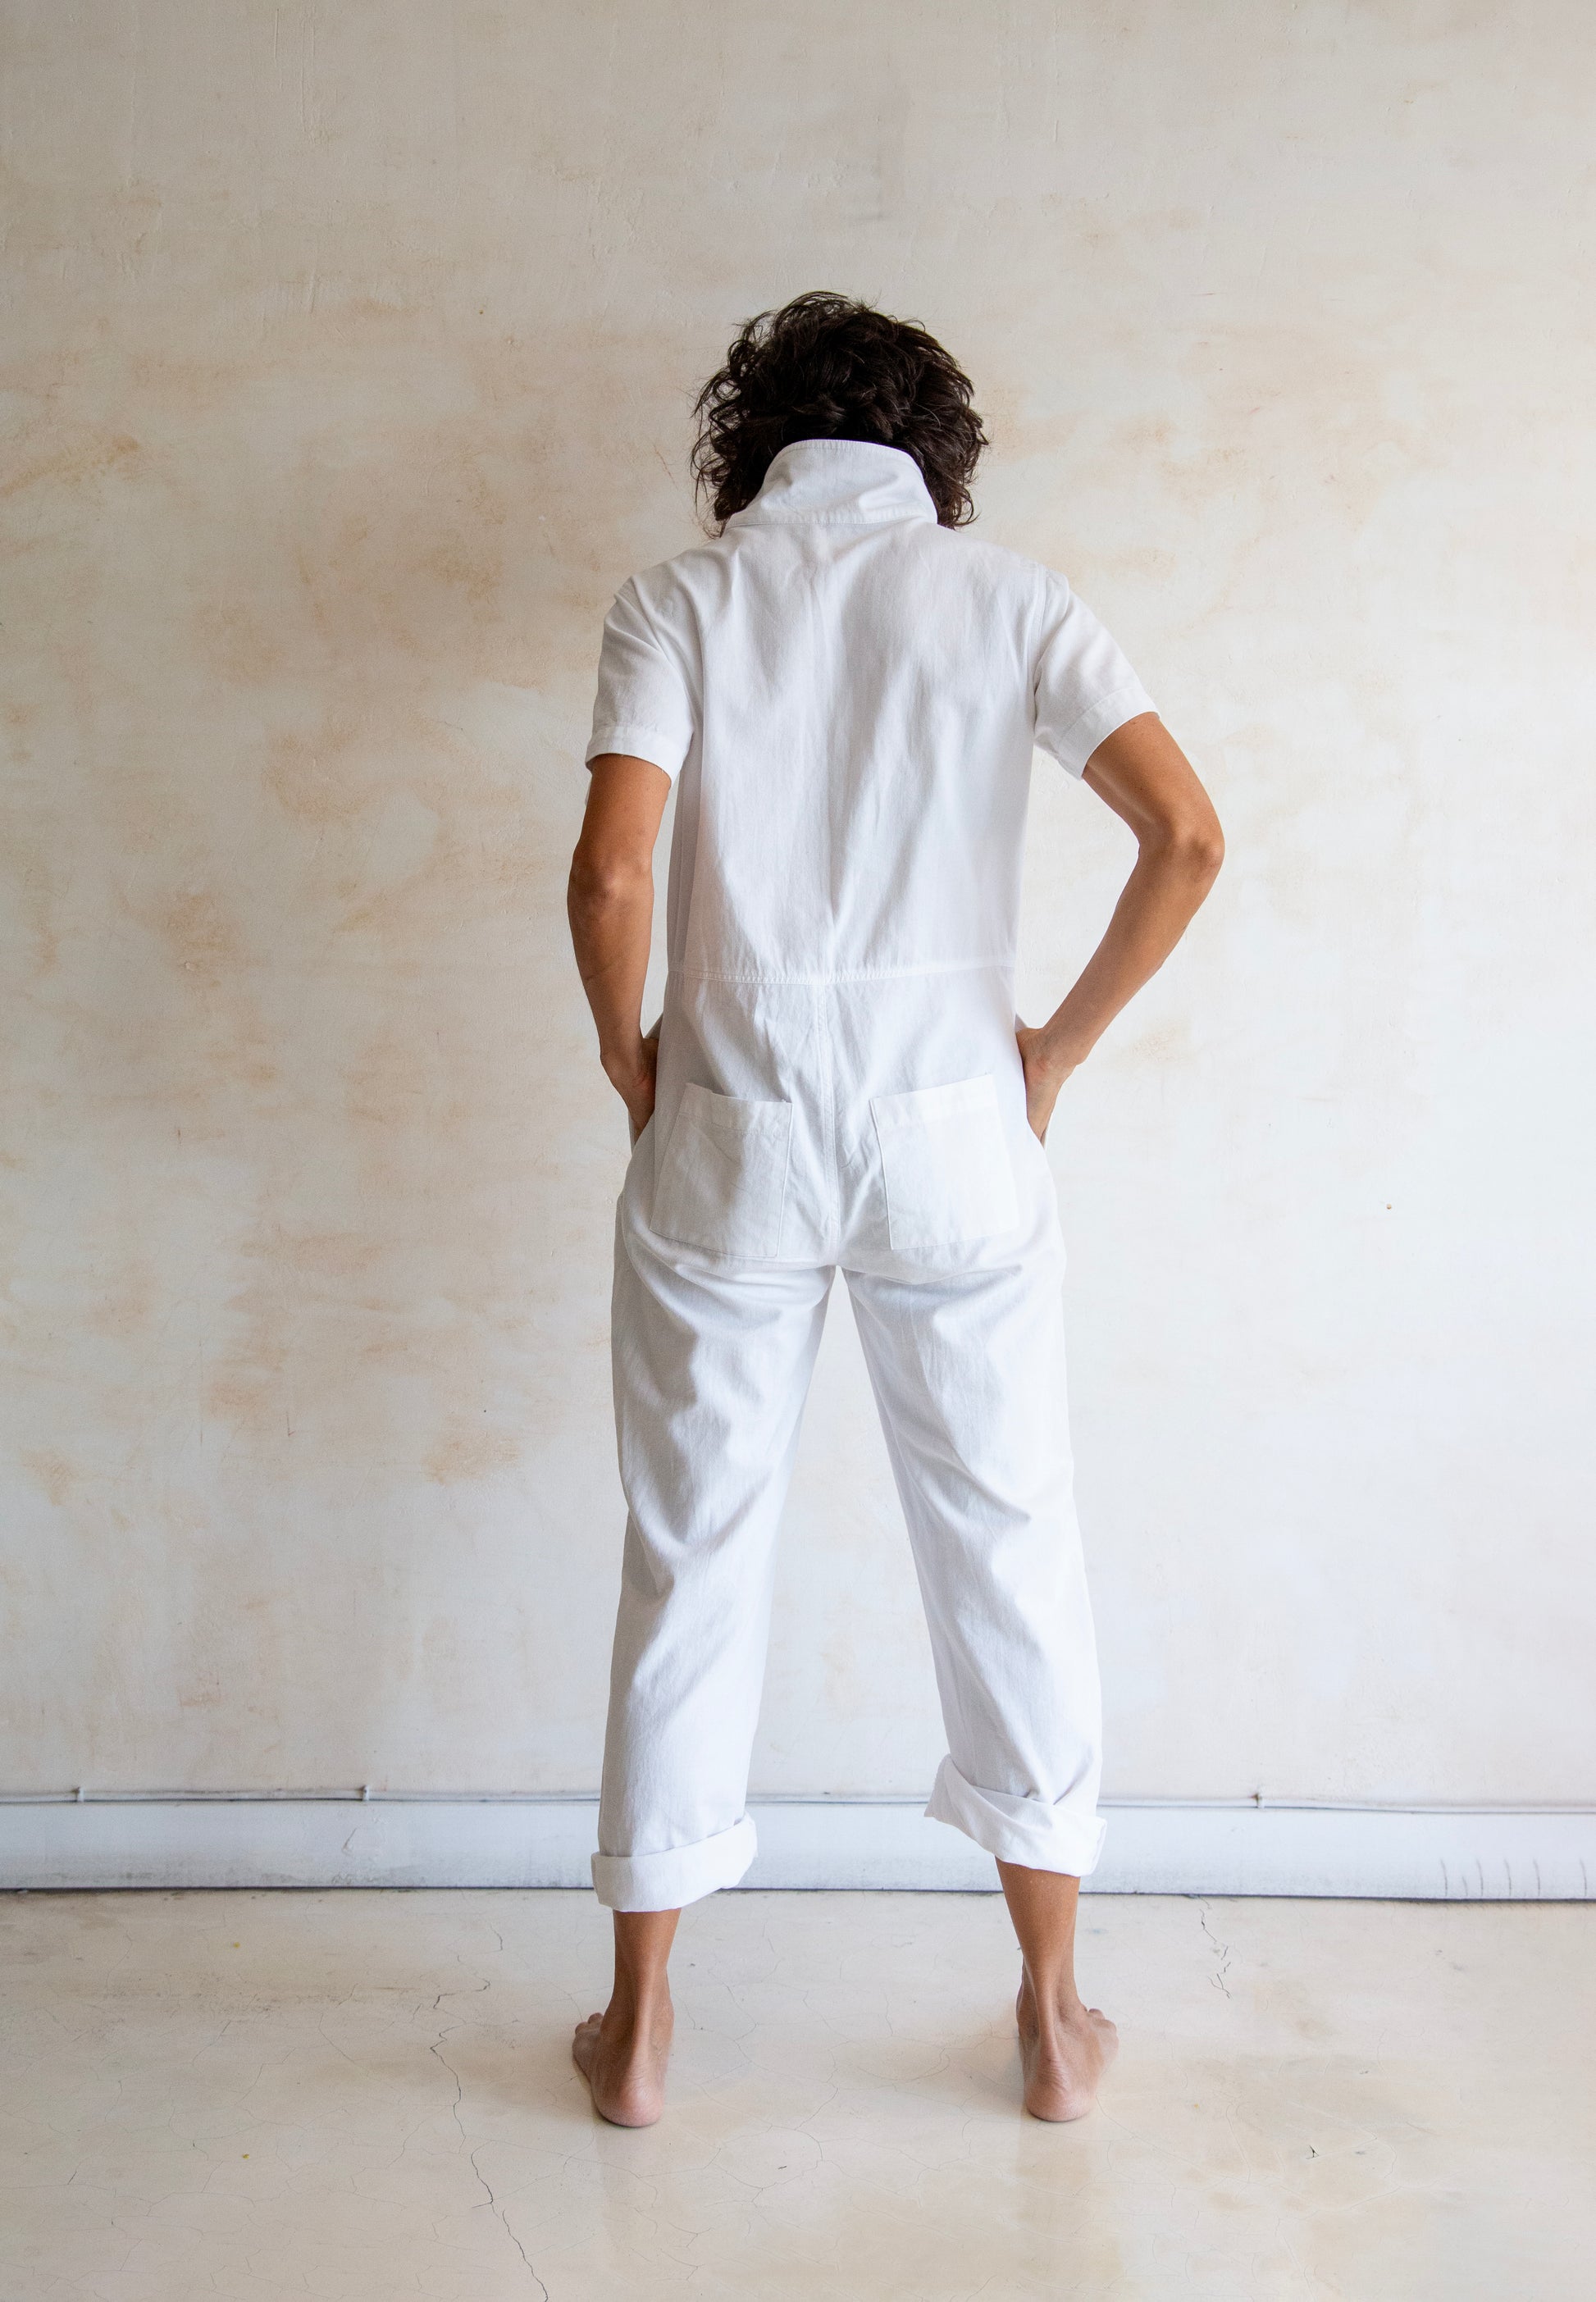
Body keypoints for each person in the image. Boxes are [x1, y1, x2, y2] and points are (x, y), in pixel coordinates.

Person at [566, 291, 1223, 2127]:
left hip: (732, 1117)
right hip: (953, 1125)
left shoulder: (679, 601)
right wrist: (1055, 1054)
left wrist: (628, 1058)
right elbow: (1187, 837)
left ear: (748, 443)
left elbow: (615, 862)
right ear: (931, 453)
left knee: (689, 1554)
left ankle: (638, 2032)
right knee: (1009, 1538)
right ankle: (1052, 2009)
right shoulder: (1008, 597)